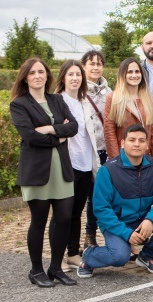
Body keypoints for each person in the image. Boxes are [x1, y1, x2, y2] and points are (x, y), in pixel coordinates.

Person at [10, 57, 79, 287]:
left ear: (48, 75)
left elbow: (74, 127)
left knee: (64, 218)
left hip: (61, 169)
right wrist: (60, 136)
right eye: (32, 73)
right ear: (25, 77)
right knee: (38, 221)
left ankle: (56, 268)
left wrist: (51, 129)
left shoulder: (57, 99)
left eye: (41, 71)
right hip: (37, 171)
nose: (37, 76)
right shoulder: (19, 104)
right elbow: (29, 136)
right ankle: (36, 270)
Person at [78, 124, 153, 278]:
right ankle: (89, 256)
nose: (137, 144)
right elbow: (101, 209)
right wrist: (126, 233)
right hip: (117, 223)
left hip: (141, 220)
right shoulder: (107, 171)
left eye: (141, 140)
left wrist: (150, 220)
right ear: (122, 143)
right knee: (119, 257)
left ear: (146, 144)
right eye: (132, 140)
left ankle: (147, 255)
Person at [52, 60, 101, 273]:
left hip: (84, 164)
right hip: (65, 164)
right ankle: (57, 257)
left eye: (78, 75)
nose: (75, 78)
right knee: (61, 214)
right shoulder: (56, 101)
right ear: (63, 77)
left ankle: (72, 252)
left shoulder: (84, 102)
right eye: (70, 74)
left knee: (76, 212)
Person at [104, 58, 153, 159]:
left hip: (145, 157)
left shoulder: (148, 98)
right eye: (129, 72)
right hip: (123, 157)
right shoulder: (113, 98)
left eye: (137, 71)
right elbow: (109, 133)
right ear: (123, 75)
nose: (134, 75)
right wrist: (116, 161)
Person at [82, 50, 110, 249]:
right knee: (86, 196)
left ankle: (96, 233)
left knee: (99, 196)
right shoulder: (79, 92)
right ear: (83, 66)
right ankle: (86, 236)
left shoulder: (110, 92)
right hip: (86, 151)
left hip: (106, 151)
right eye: (91, 63)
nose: (95, 67)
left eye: (99, 63)